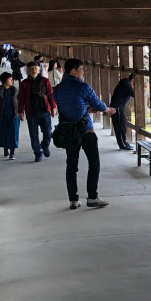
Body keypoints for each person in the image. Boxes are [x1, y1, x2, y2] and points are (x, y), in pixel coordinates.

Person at [54, 58, 116, 210]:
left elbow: (70, 108)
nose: (83, 72)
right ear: (73, 71)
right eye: (81, 69)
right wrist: (108, 110)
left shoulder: (57, 89)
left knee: (71, 166)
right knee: (94, 162)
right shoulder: (82, 86)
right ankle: (92, 197)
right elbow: (98, 104)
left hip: (68, 132)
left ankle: (73, 200)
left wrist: (86, 109)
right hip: (86, 130)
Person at [17, 60, 57, 162]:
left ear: (39, 69)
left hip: (44, 111)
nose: (34, 70)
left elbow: (50, 95)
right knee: (34, 135)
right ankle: (37, 153)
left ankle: (45, 145)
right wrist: (21, 111)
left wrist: (53, 107)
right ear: (27, 71)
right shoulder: (24, 83)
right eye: (31, 69)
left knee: (48, 132)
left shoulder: (45, 81)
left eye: (36, 68)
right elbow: (21, 98)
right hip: (31, 113)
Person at [0, 72, 21, 160]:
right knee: (4, 133)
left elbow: (20, 101)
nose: (12, 80)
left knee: (13, 133)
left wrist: (21, 111)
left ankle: (12, 152)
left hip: (14, 115)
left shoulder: (15, 90)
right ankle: (5, 149)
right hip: (3, 115)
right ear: (4, 80)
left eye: (12, 79)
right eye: (10, 79)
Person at [109, 71, 135, 151]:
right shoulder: (127, 84)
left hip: (117, 107)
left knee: (120, 125)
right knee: (120, 126)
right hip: (118, 108)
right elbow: (134, 94)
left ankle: (123, 144)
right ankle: (123, 144)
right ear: (133, 80)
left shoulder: (125, 83)